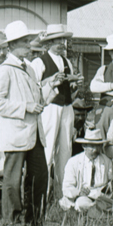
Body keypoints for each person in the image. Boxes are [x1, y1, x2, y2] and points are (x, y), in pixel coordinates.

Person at [0, 20, 54, 226]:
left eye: (28, 41)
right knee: (12, 179)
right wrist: (25, 107)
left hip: (34, 133)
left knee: (40, 175)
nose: (28, 45)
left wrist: (52, 87)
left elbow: (37, 98)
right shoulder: (4, 69)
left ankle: (34, 219)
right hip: (16, 133)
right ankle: (11, 219)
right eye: (24, 42)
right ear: (11, 46)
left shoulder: (30, 69)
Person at [31, 23, 82, 198]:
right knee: (48, 148)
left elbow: (71, 89)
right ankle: (42, 193)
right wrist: (50, 81)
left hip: (67, 107)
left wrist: (74, 84)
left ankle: (63, 194)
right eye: (57, 40)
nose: (61, 43)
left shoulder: (67, 61)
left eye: (63, 40)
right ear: (48, 43)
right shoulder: (39, 62)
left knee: (65, 149)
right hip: (50, 107)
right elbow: (33, 86)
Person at [59, 128, 113, 214]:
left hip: (101, 196)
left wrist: (107, 189)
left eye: (98, 146)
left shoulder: (107, 162)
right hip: (83, 197)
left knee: (111, 203)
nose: (95, 150)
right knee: (81, 204)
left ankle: (97, 210)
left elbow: (112, 182)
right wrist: (79, 192)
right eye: (91, 146)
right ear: (84, 146)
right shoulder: (73, 162)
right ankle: (96, 210)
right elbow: (67, 187)